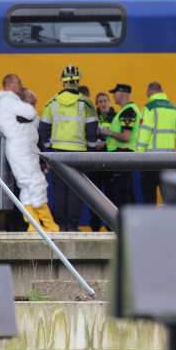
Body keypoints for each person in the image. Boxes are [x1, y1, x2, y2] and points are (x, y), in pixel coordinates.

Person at [0, 74, 59, 232]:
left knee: (27, 187)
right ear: (9, 84)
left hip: (26, 149)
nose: (21, 85)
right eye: (18, 82)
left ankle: (33, 225)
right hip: (21, 149)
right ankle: (48, 224)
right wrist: (31, 108)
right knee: (36, 182)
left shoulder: (12, 101)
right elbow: (29, 113)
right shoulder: (9, 99)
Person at [39, 65, 98, 232]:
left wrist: (50, 149)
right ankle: (72, 226)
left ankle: (61, 226)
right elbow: (92, 130)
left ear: (63, 83)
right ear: (78, 82)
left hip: (58, 153)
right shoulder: (86, 103)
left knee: (60, 190)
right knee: (76, 191)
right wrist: (91, 152)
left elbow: (44, 129)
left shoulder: (52, 102)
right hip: (79, 153)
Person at [136, 81, 176, 205]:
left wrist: (137, 155)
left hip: (151, 161)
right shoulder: (175, 109)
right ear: (162, 91)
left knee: (149, 197)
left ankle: (151, 224)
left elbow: (144, 134)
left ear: (149, 91)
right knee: (171, 200)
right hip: (170, 160)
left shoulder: (149, 107)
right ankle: (172, 224)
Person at [98, 84, 140, 207]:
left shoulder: (127, 112)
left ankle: (124, 225)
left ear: (121, 94)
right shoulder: (127, 110)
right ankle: (133, 224)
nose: (113, 95)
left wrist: (108, 132)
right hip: (124, 155)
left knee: (122, 195)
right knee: (128, 193)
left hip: (122, 155)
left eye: (114, 93)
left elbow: (126, 137)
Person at [88, 92, 117, 232]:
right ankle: (95, 226)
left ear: (109, 102)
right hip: (94, 160)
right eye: (100, 101)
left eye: (105, 100)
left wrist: (106, 144)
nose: (103, 103)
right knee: (95, 195)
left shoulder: (116, 117)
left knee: (111, 194)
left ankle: (110, 225)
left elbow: (119, 136)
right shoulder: (93, 118)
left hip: (109, 160)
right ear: (97, 105)